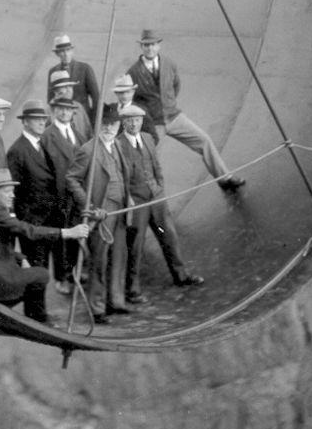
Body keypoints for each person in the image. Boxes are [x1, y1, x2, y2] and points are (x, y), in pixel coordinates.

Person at [0, 168, 90, 323]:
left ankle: (25, 315)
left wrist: (21, 258)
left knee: (31, 273)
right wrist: (67, 232)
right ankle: (16, 314)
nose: (12, 195)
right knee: (41, 274)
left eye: (13, 191)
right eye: (7, 191)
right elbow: (27, 230)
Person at [126, 29, 245, 191]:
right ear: (141, 47)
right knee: (145, 157)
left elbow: (176, 86)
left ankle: (225, 178)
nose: (150, 49)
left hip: (174, 117)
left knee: (204, 140)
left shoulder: (169, 64)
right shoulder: (133, 72)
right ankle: (144, 200)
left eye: (153, 45)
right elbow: (132, 101)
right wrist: (146, 120)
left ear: (159, 46)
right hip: (154, 123)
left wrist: (169, 104)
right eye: (146, 45)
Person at [118, 103, 203, 303]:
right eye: (129, 120)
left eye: (137, 120)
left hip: (156, 200)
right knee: (135, 246)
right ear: (123, 122)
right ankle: (132, 289)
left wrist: (160, 190)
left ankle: (181, 276)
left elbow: (157, 168)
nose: (134, 124)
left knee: (168, 237)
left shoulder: (147, 138)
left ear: (141, 121)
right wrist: (128, 199)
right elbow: (119, 177)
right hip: (137, 204)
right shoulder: (118, 144)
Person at [66, 103, 134, 323]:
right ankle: (97, 308)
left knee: (118, 258)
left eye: (112, 124)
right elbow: (72, 179)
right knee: (99, 261)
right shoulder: (88, 149)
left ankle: (116, 301)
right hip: (101, 213)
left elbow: (124, 176)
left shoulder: (118, 146)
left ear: (119, 126)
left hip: (121, 210)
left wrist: (129, 198)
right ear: (98, 125)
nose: (108, 128)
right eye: (104, 124)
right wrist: (89, 205)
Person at [6, 100, 70, 299]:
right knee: (37, 270)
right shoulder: (17, 151)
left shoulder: (44, 144)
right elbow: (11, 191)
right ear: (25, 122)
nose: (42, 123)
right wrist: (19, 220)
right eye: (36, 120)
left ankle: (40, 313)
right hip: (33, 222)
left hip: (52, 217)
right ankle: (37, 317)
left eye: (43, 119)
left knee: (50, 265)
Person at [43, 93, 83, 294]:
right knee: (60, 239)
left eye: (68, 109)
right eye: (60, 109)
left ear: (73, 112)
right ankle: (61, 278)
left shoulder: (76, 132)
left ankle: (73, 271)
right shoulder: (47, 135)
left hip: (75, 195)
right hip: (58, 196)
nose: (65, 112)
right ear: (54, 111)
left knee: (76, 234)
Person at [46, 34, 101, 129]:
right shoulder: (53, 72)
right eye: (62, 51)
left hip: (82, 119)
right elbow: (50, 99)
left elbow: (96, 98)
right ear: (57, 54)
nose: (65, 54)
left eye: (68, 50)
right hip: (61, 119)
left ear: (72, 51)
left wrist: (93, 122)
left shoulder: (85, 69)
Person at [48, 69, 92, 142]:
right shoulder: (49, 112)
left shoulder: (78, 107)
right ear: (55, 91)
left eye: (70, 86)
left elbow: (89, 133)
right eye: (64, 87)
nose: (69, 90)